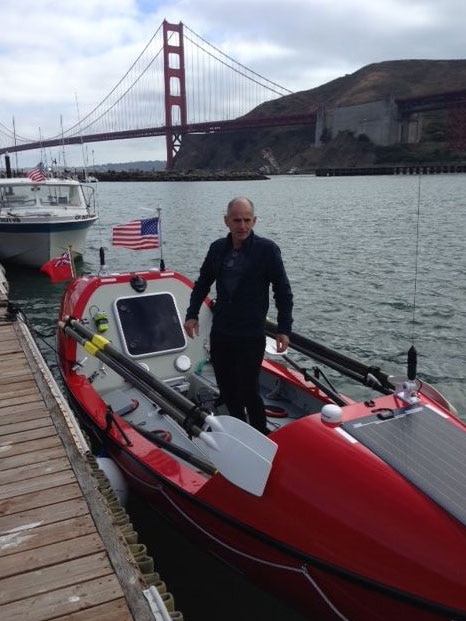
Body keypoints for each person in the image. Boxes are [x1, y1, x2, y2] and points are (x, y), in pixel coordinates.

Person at [184, 197, 293, 435]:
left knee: (249, 389)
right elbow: (203, 284)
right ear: (227, 221)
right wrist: (191, 314)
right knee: (226, 387)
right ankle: (238, 427)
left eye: (246, 220)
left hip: (251, 333)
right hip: (222, 330)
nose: (242, 226)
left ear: (254, 221)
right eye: (236, 220)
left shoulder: (267, 250)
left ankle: (260, 434)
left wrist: (284, 328)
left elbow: (282, 291)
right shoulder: (217, 249)